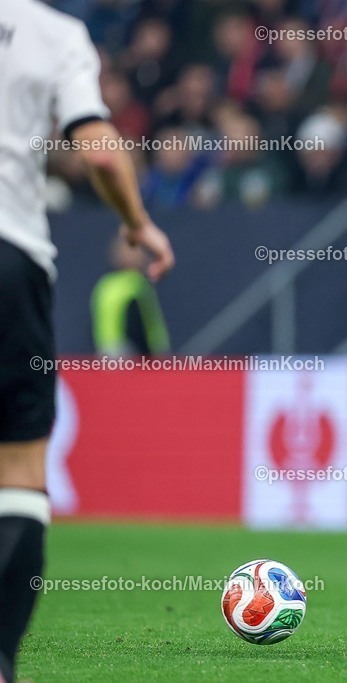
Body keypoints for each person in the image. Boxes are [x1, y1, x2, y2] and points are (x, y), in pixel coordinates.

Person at [0, 2, 175, 680]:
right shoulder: (55, 34)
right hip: (10, 259)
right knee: (18, 471)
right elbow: (99, 148)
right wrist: (137, 222)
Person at [92, 239, 172, 356]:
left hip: (105, 352)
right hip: (131, 354)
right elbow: (137, 324)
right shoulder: (136, 284)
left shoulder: (104, 285)